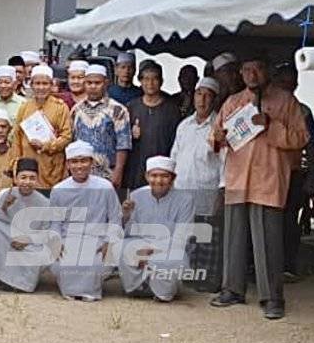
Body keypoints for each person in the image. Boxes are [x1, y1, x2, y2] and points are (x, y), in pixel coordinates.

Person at [210, 53, 308, 320]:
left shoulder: (286, 101)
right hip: (237, 178)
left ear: (267, 72)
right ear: (241, 73)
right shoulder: (233, 102)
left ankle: (272, 297)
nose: (252, 75)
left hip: (268, 179)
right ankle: (232, 289)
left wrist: (272, 126)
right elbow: (215, 138)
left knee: (268, 241)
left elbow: (301, 138)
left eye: (257, 69)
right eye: (247, 70)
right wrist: (218, 137)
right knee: (234, 237)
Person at [49, 140, 122, 301]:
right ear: (68, 164)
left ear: (91, 163)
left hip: (98, 240)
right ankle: (70, 290)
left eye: (84, 161)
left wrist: (109, 242)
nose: (79, 166)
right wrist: (56, 241)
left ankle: (91, 291)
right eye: (74, 161)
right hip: (68, 239)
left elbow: (115, 218)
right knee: (64, 263)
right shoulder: (59, 190)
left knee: (95, 263)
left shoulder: (105, 187)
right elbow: (55, 222)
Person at [170, 76, 224, 291]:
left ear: (214, 99)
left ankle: (208, 281)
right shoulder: (184, 126)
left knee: (207, 238)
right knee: (185, 237)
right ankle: (187, 277)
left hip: (207, 191)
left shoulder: (219, 127)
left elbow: (224, 162)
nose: (202, 100)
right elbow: (174, 156)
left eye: (208, 95)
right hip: (182, 189)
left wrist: (222, 191)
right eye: (199, 94)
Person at [118, 155, 195, 302]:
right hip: (140, 244)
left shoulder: (185, 199)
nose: (158, 180)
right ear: (147, 176)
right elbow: (128, 233)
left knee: (171, 259)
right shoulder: (136, 195)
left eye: (164, 176)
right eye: (154, 175)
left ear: (173, 178)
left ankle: (163, 291)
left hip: (169, 247)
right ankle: (138, 288)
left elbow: (182, 236)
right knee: (122, 248)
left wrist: (153, 250)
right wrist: (126, 215)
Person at [271, 63, 314, 282]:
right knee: (267, 221)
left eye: (292, 84)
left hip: (292, 173)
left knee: (290, 221)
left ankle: (288, 265)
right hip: (269, 174)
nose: (288, 87)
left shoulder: (303, 111)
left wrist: (312, 177)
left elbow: (311, 147)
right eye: (283, 83)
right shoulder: (267, 108)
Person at [0, 157, 51, 292]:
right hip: (10, 237)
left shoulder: (44, 202)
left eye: (32, 178)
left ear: (37, 180)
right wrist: (4, 208)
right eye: (23, 177)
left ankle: (22, 283)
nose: (27, 182)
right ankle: (1, 277)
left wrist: (28, 239)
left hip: (31, 242)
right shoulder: (6, 195)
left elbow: (46, 231)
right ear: (16, 179)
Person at [9, 65, 72, 189]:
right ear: (31, 85)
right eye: (37, 83)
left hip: (51, 166)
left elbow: (66, 137)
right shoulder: (25, 107)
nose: (41, 87)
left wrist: (46, 145)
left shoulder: (60, 107)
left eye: (45, 83)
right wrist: (15, 164)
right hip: (27, 166)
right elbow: (17, 138)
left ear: (51, 85)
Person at [70, 64, 132, 184]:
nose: (93, 86)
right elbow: (71, 141)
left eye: (97, 83)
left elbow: (123, 144)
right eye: (89, 83)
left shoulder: (117, 109)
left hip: (108, 174)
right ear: (85, 83)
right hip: (81, 174)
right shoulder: (76, 110)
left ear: (106, 83)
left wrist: (118, 171)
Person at [124, 62, 181, 192]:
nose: (150, 83)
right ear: (140, 81)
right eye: (146, 79)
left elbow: (176, 143)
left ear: (161, 81)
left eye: (155, 79)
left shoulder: (172, 109)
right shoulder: (131, 107)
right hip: (137, 170)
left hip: (162, 172)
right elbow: (121, 141)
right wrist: (130, 134)